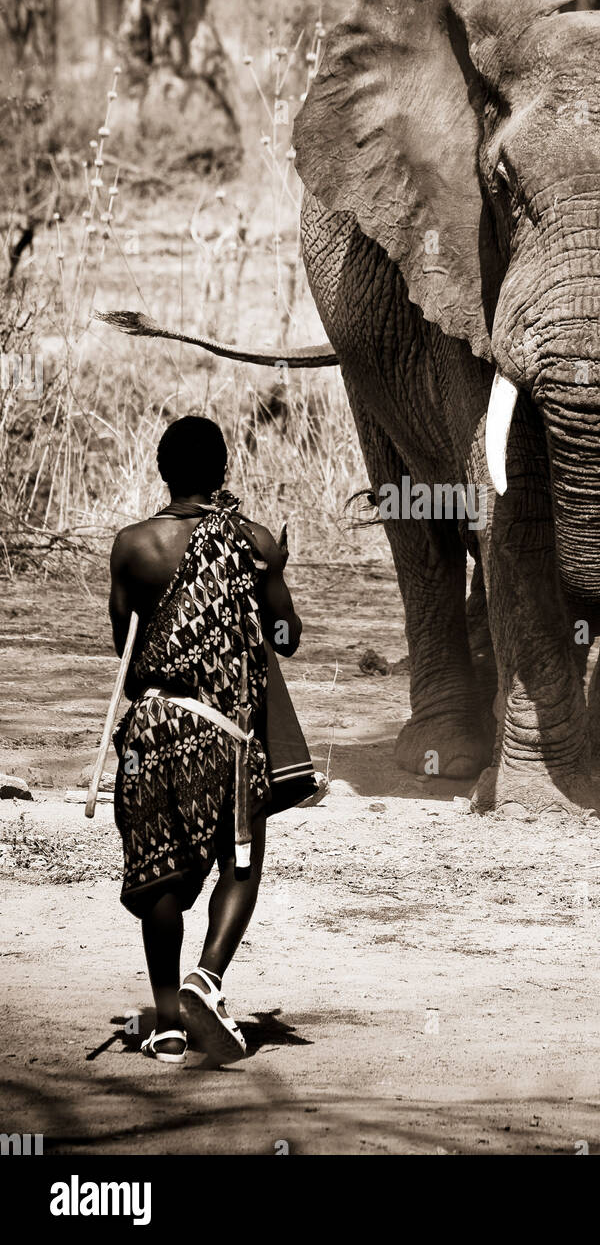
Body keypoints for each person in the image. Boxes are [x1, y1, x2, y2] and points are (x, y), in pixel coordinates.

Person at [108, 415, 318, 1065]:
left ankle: (168, 1025)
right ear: (224, 472)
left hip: (154, 726)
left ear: (163, 471)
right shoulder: (252, 542)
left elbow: (126, 647)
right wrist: (269, 580)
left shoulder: (132, 546)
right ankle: (209, 977)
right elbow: (288, 637)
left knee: (161, 875)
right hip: (225, 734)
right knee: (240, 861)